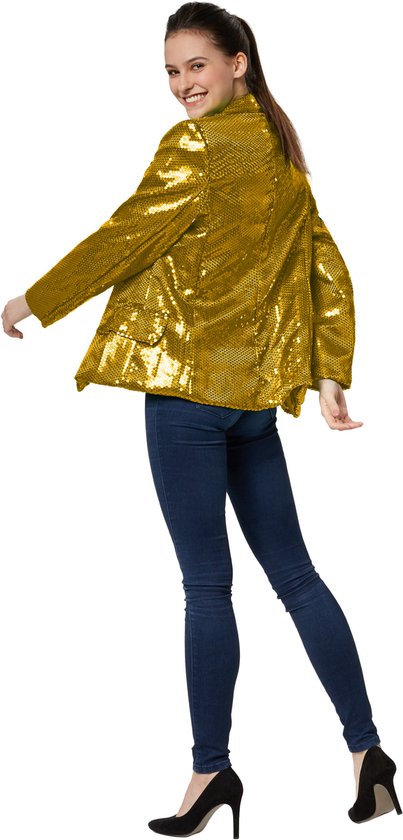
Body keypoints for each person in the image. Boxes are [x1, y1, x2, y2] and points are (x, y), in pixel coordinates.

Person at [2, 2, 401, 837]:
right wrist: (330, 371)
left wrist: (33, 302)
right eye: (171, 72)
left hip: (187, 401)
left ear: (237, 61)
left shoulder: (197, 147)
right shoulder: (280, 152)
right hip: (251, 405)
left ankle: (211, 771)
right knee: (297, 579)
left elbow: (126, 237)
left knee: (206, 588)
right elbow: (325, 263)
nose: (183, 85)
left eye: (196, 65)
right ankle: (368, 755)